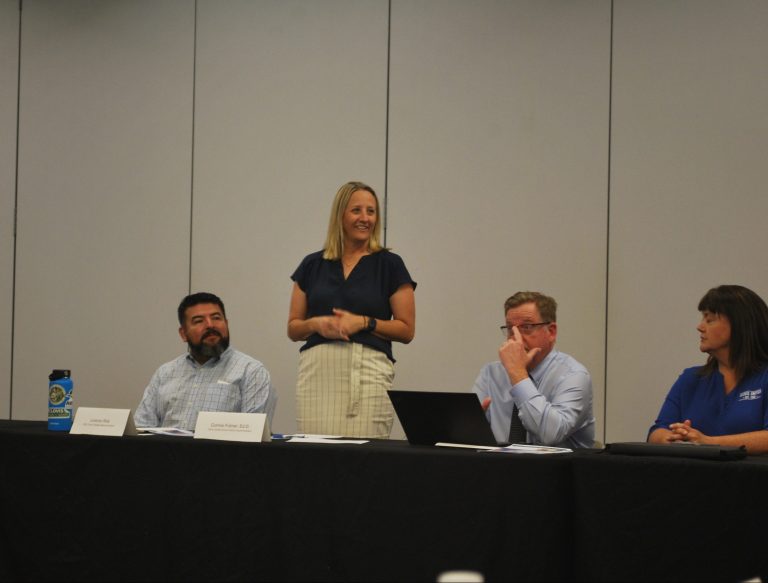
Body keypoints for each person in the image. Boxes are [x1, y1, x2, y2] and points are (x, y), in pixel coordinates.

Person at [288, 181, 416, 438]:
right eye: (356, 210)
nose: (365, 218)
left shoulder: (390, 264)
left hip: (367, 373)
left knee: (364, 460)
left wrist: (364, 323)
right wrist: (316, 324)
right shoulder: (312, 264)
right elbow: (293, 328)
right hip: (317, 374)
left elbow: (406, 329)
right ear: (340, 215)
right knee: (314, 457)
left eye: (371, 211)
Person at [648, 285, 768, 453]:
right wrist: (672, 437)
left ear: (739, 324)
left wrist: (709, 442)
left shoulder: (764, 377)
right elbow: (656, 432)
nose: (700, 327)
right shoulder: (691, 378)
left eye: (709, 319)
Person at [135, 292, 276, 431]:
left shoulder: (251, 371)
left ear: (226, 324)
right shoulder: (165, 373)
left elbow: (253, 436)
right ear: (183, 334)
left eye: (216, 318)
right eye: (198, 321)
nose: (210, 325)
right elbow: (142, 428)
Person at [472, 291, 594, 448]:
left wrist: (518, 373)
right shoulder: (491, 373)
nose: (516, 338)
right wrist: (470, 425)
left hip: (554, 470)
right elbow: (471, 435)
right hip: (499, 468)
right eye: (510, 328)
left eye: (526, 327)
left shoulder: (574, 375)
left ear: (551, 332)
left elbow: (550, 435)